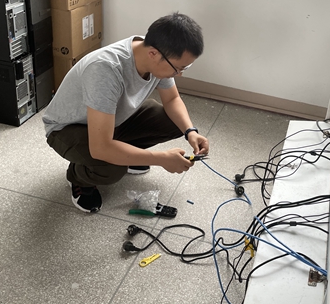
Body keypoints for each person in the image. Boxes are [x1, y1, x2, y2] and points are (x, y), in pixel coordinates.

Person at [42, 12, 209, 213]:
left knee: (176, 123)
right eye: (178, 68)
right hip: (67, 129)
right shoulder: (105, 69)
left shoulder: (156, 50)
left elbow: (172, 99)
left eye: (185, 68)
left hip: (112, 120)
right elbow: (101, 148)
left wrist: (190, 132)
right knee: (111, 168)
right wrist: (160, 159)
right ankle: (78, 177)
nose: (179, 74)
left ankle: (125, 154)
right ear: (154, 54)